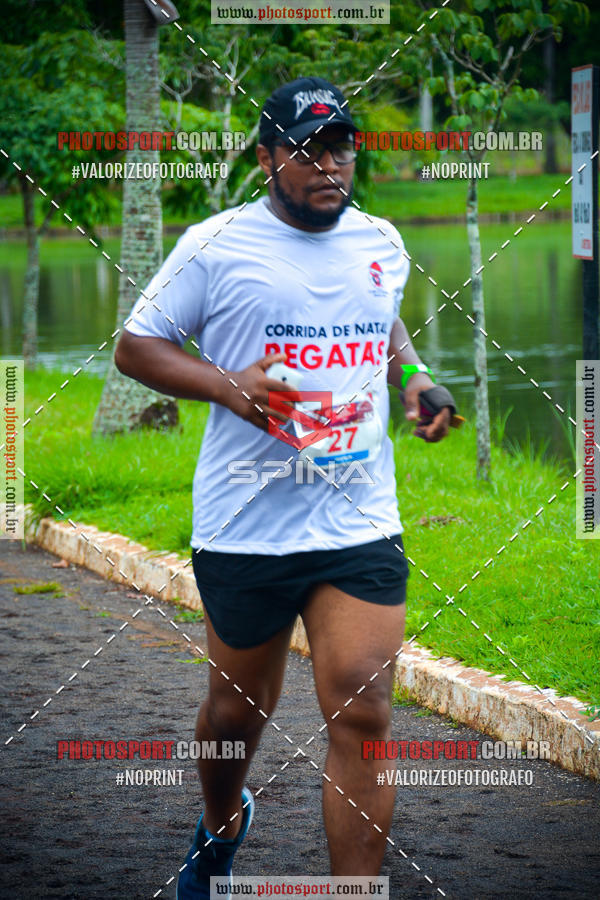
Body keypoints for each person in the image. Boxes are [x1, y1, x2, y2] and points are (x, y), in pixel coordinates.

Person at [115, 76, 458, 899]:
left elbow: (384, 326)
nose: (327, 163)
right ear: (268, 157)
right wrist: (231, 385)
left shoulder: (380, 240)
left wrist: (415, 379)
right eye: (306, 149)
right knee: (236, 721)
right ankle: (221, 823)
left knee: (366, 715)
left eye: (339, 146)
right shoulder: (216, 243)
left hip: (357, 520)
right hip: (245, 524)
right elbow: (136, 347)